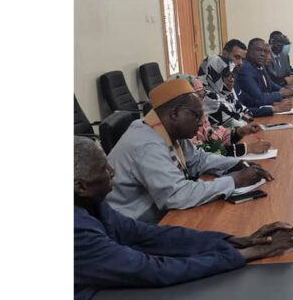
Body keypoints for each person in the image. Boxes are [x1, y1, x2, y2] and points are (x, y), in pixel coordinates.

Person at [74, 136, 293, 300]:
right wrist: (247, 254)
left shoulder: (93, 204)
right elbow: (151, 270)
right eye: (103, 169)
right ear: (81, 187)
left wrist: (233, 240)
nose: (113, 171)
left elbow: (148, 235)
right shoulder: (76, 231)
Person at [106, 79, 274, 223]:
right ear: (174, 114)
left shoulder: (164, 127)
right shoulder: (147, 145)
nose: (201, 123)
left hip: (160, 211)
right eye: (197, 116)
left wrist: (236, 164)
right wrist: (234, 181)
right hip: (137, 222)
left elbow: (197, 159)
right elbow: (177, 195)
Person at [171, 73, 271, 157]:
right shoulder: (182, 126)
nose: (201, 102)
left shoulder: (200, 114)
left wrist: (240, 131)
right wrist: (247, 148)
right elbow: (201, 155)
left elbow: (213, 136)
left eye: (202, 96)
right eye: (196, 97)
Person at [236, 38, 293, 108]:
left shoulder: (260, 66)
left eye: (265, 51)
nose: (263, 54)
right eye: (258, 50)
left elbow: (271, 85)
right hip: (254, 111)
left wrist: (283, 90)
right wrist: (281, 94)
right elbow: (259, 98)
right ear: (249, 52)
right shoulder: (245, 68)